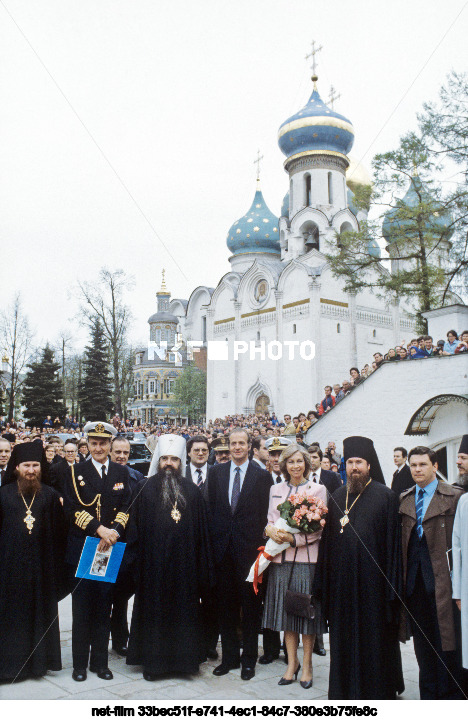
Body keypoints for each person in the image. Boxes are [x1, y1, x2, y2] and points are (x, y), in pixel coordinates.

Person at [316, 435, 403, 699]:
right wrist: (325, 585)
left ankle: (377, 690)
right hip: (343, 587)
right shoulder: (338, 496)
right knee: (344, 640)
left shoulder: (386, 496)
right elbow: (328, 543)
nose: (354, 467)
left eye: (360, 462)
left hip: (374, 587)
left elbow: (393, 546)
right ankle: (344, 689)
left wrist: (391, 591)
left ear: (369, 465)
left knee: (374, 639)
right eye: (350, 462)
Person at [126, 434, 213, 680]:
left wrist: (200, 568)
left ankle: (185, 664)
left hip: (185, 569)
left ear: (180, 462)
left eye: (174, 459)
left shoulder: (193, 492)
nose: (168, 464)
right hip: (153, 568)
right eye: (164, 458)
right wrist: (137, 566)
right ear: (158, 460)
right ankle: (154, 665)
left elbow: (202, 534)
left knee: (184, 612)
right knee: (154, 613)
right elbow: (134, 531)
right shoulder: (143, 489)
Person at [62, 421, 132, 682]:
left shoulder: (121, 472)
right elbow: (70, 509)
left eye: (104, 443)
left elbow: (127, 508)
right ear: (87, 444)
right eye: (94, 443)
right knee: (82, 609)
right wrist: (99, 529)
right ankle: (79, 664)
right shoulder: (74, 472)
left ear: (111, 445)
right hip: (84, 547)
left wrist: (113, 532)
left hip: (109, 549)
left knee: (104, 607)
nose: (99, 447)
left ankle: (100, 663)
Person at [399, 446, 463, 699]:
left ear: (435, 466)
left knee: (447, 643)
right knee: (423, 645)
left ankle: (452, 697)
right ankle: (429, 697)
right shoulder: (404, 499)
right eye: (413, 465)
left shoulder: (455, 498)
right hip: (414, 586)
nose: (417, 470)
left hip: (444, 584)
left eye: (422, 465)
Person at [208, 429, 272, 680]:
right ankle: (230, 659)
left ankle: (248, 660)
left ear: (249, 447)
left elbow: (266, 514)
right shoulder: (217, 473)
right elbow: (211, 509)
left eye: (241, 443)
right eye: (233, 444)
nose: (236, 448)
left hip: (249, 553)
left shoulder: (262, 476)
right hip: (222, 551)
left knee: (250, 607)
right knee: (226, 606)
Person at [0, 441, 67, 681]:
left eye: (35, 465)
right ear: (16, 467)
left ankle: (38, 665)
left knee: (39, 615)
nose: (31, 470)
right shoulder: (3, 494)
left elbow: (60, 535)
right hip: (8, 570)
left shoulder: (49, 496)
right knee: (11, 617)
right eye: (26, 465)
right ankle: (10, 666)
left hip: (41, 569)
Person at [262, 444, 327, 688]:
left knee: (305, 615)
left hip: (305, 560)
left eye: (300, 461)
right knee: (287, 615)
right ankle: (292, 663)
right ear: (284, 465)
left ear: (307, 464)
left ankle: (307, 665)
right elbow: (270, 518)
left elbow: (319, 527)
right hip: (280, 560)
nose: (296, 466)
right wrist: (269, 529)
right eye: (291, 462)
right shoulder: (275, 489)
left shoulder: (317, 489)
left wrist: (294, 539)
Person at [109, 435, 145, 657]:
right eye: (118, 452)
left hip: (130, 545)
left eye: (125, 453)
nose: (122, 457)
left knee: (123, 595)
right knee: (104, 596)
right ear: (110, 452)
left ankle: (122, 639)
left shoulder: (138, 478)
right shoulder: (102, 476)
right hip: (106, 543)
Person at [452, 435, 468, 693]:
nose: (458, 462)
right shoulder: (464, 500)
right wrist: (457, 591)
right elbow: (457, 548)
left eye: (464, 458)